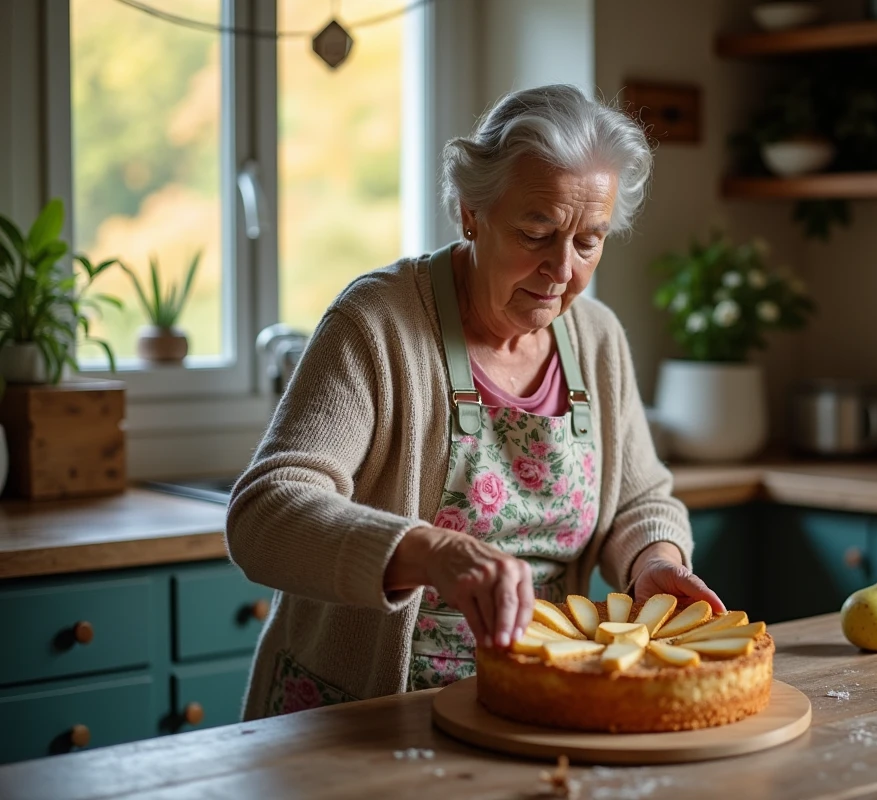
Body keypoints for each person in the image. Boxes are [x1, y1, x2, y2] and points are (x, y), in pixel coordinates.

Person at [225, 84, 724, 720]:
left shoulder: (596, 339)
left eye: (588, 241)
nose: (561, 269)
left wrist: (652, 562)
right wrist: (428, 550)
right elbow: (265, 515)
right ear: (471, 211)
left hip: (530, 705)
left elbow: (640, 499)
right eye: (536, 231)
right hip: (364, 713)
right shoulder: (377, 323)